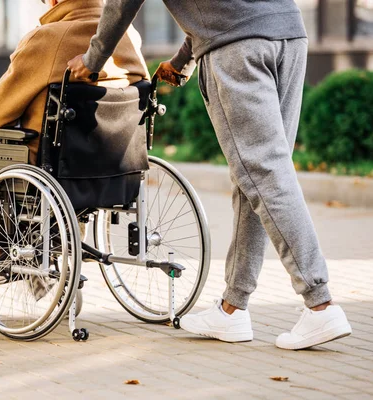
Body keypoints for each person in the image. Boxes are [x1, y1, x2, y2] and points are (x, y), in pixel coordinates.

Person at [68, 0, 352, 350]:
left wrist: (91, 60)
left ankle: (319, 302)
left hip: (237, 48)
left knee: (264, 176)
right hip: (288, 35)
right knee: (258, 178)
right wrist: (184, 58)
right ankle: (233, 308)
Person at [0, 0, 148, 164]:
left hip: (46, 167)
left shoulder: (45, 38)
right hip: (119, 168)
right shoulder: (129, 36)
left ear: (53, 1)